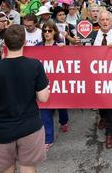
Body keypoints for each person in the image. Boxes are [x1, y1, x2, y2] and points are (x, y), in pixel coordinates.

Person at [0, 25, 50, 173]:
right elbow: (43, 98)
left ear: (4, 43)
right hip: (30, 128)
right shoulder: (35, 65)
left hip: (1, 131)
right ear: (24, 42)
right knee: (28, 168)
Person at [88, 11, 112, 149]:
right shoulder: (92, 36)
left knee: (111, 104)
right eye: (102, 19)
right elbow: (83, 55)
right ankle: (102, 116)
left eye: (107, 20)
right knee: (100, 101)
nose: (104, 22)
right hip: (96, 75)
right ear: (98, 22)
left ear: (111, 22)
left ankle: (110, 133)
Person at [36, 21, 68, 149]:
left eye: (50, 30)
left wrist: (63, 49)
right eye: (45, 31)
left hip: (58, 84)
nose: (47, 33)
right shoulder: (37, 47)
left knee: (61, 106)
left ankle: (64, 121)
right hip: (43, 85)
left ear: (54, 32)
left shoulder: (59, 46)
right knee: (44, 110)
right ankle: (48, 139)